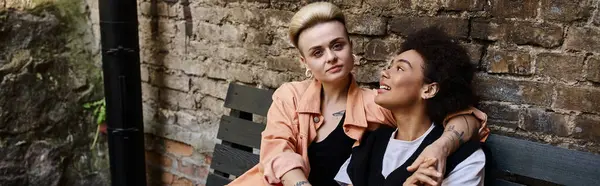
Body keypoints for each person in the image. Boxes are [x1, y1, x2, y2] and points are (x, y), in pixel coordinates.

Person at [227, 2, 489, 186]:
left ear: (351, 48)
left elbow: (465, 117)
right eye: (317, 52)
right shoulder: (290, 96)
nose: (331, 57)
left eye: (337, 45)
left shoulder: (377, 104)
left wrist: (441, 146)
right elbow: (277, 155)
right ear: (304, 62)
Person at [334, 27, 485, 186]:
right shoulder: (370, 142)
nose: (384, 73)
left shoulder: (464, 157)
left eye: (400, 68)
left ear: (428, 89)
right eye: (390, 66)